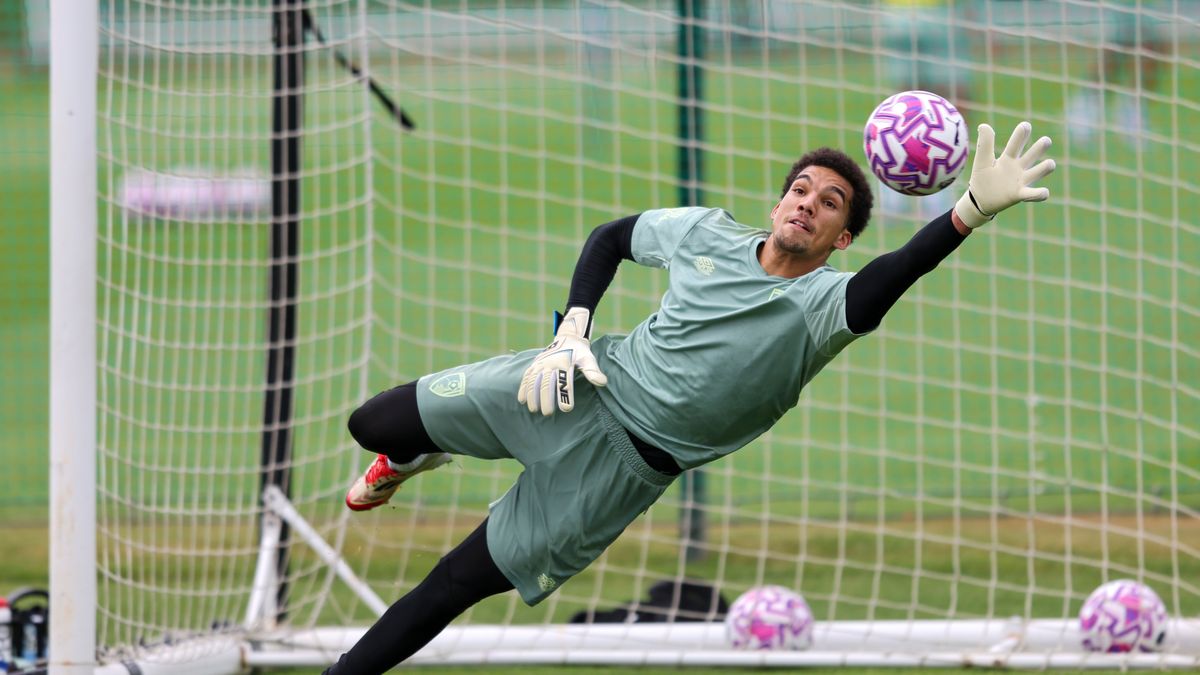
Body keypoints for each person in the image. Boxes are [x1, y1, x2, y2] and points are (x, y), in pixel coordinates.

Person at [322, 121, 1056, 674]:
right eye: (800, 189)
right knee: (370, 422)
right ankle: (412, 452)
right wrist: (572, 327)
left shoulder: (826, 308)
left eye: (829, 204)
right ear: (778, 201)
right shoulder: (707, 232)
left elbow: (898, 271)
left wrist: (967, 212)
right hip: (578, 382)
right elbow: (609, 237)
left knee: (451, 584)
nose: (808, 204)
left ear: (842, 240)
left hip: (617, 475)